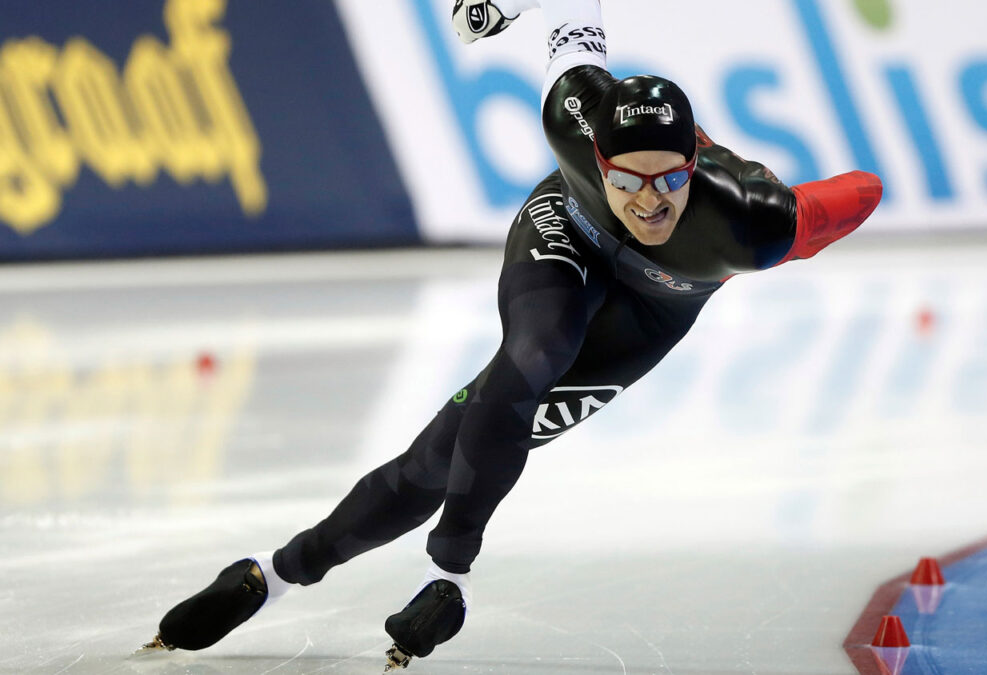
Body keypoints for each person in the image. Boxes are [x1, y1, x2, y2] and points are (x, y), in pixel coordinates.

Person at [139, 0, 883, 670]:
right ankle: (399, 573)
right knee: (532, 353)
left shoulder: (754, 222)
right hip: (567, 230)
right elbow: (574, 23)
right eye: (627, 178)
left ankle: (290, 572)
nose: (649, 203)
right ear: (596, 155)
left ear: (695, 165)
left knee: (442, 454)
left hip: (655, 307)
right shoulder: (573, 109)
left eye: (669, 180)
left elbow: (862, 191)